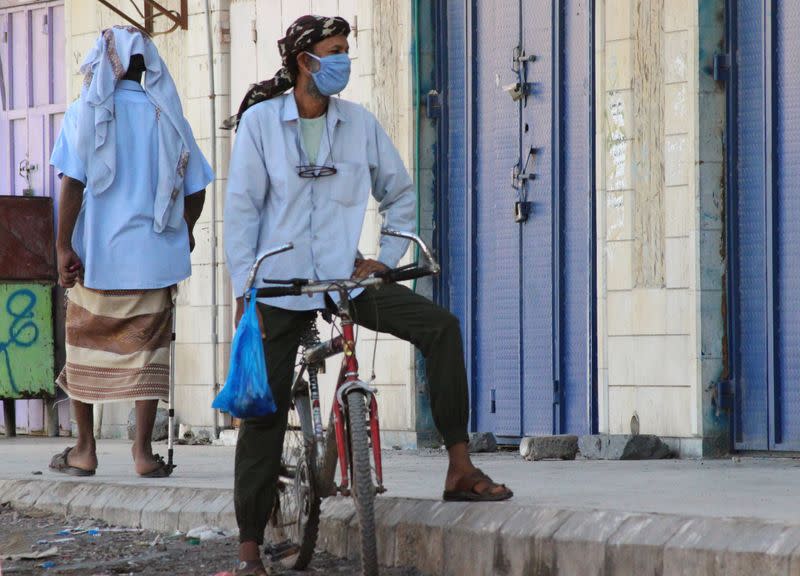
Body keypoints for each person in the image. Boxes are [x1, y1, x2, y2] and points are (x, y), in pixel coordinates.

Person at [223, 15, 513, 575]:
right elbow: (241, 215)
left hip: (344, 278)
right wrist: (246, 291)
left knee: (442, 328)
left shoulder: (358, 124)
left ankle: (459, 468)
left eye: (345, 52)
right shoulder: (260, 124)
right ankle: (249, 549)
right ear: (305, 61)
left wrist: (385, 257)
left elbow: (399, 192)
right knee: (264, 410)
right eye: (334, 52)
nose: (343, 63)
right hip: (280, 288)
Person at [48, 26, 212, 478]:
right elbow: (195, 187)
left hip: (96, 261)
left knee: (83, 352)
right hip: (153, 260)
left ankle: (84, 450)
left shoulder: (85, 111)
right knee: (148, 356)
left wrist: (63, 247)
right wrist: (187, 231)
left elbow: (72, 184)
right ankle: (142, 453)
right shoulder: (169, 113)